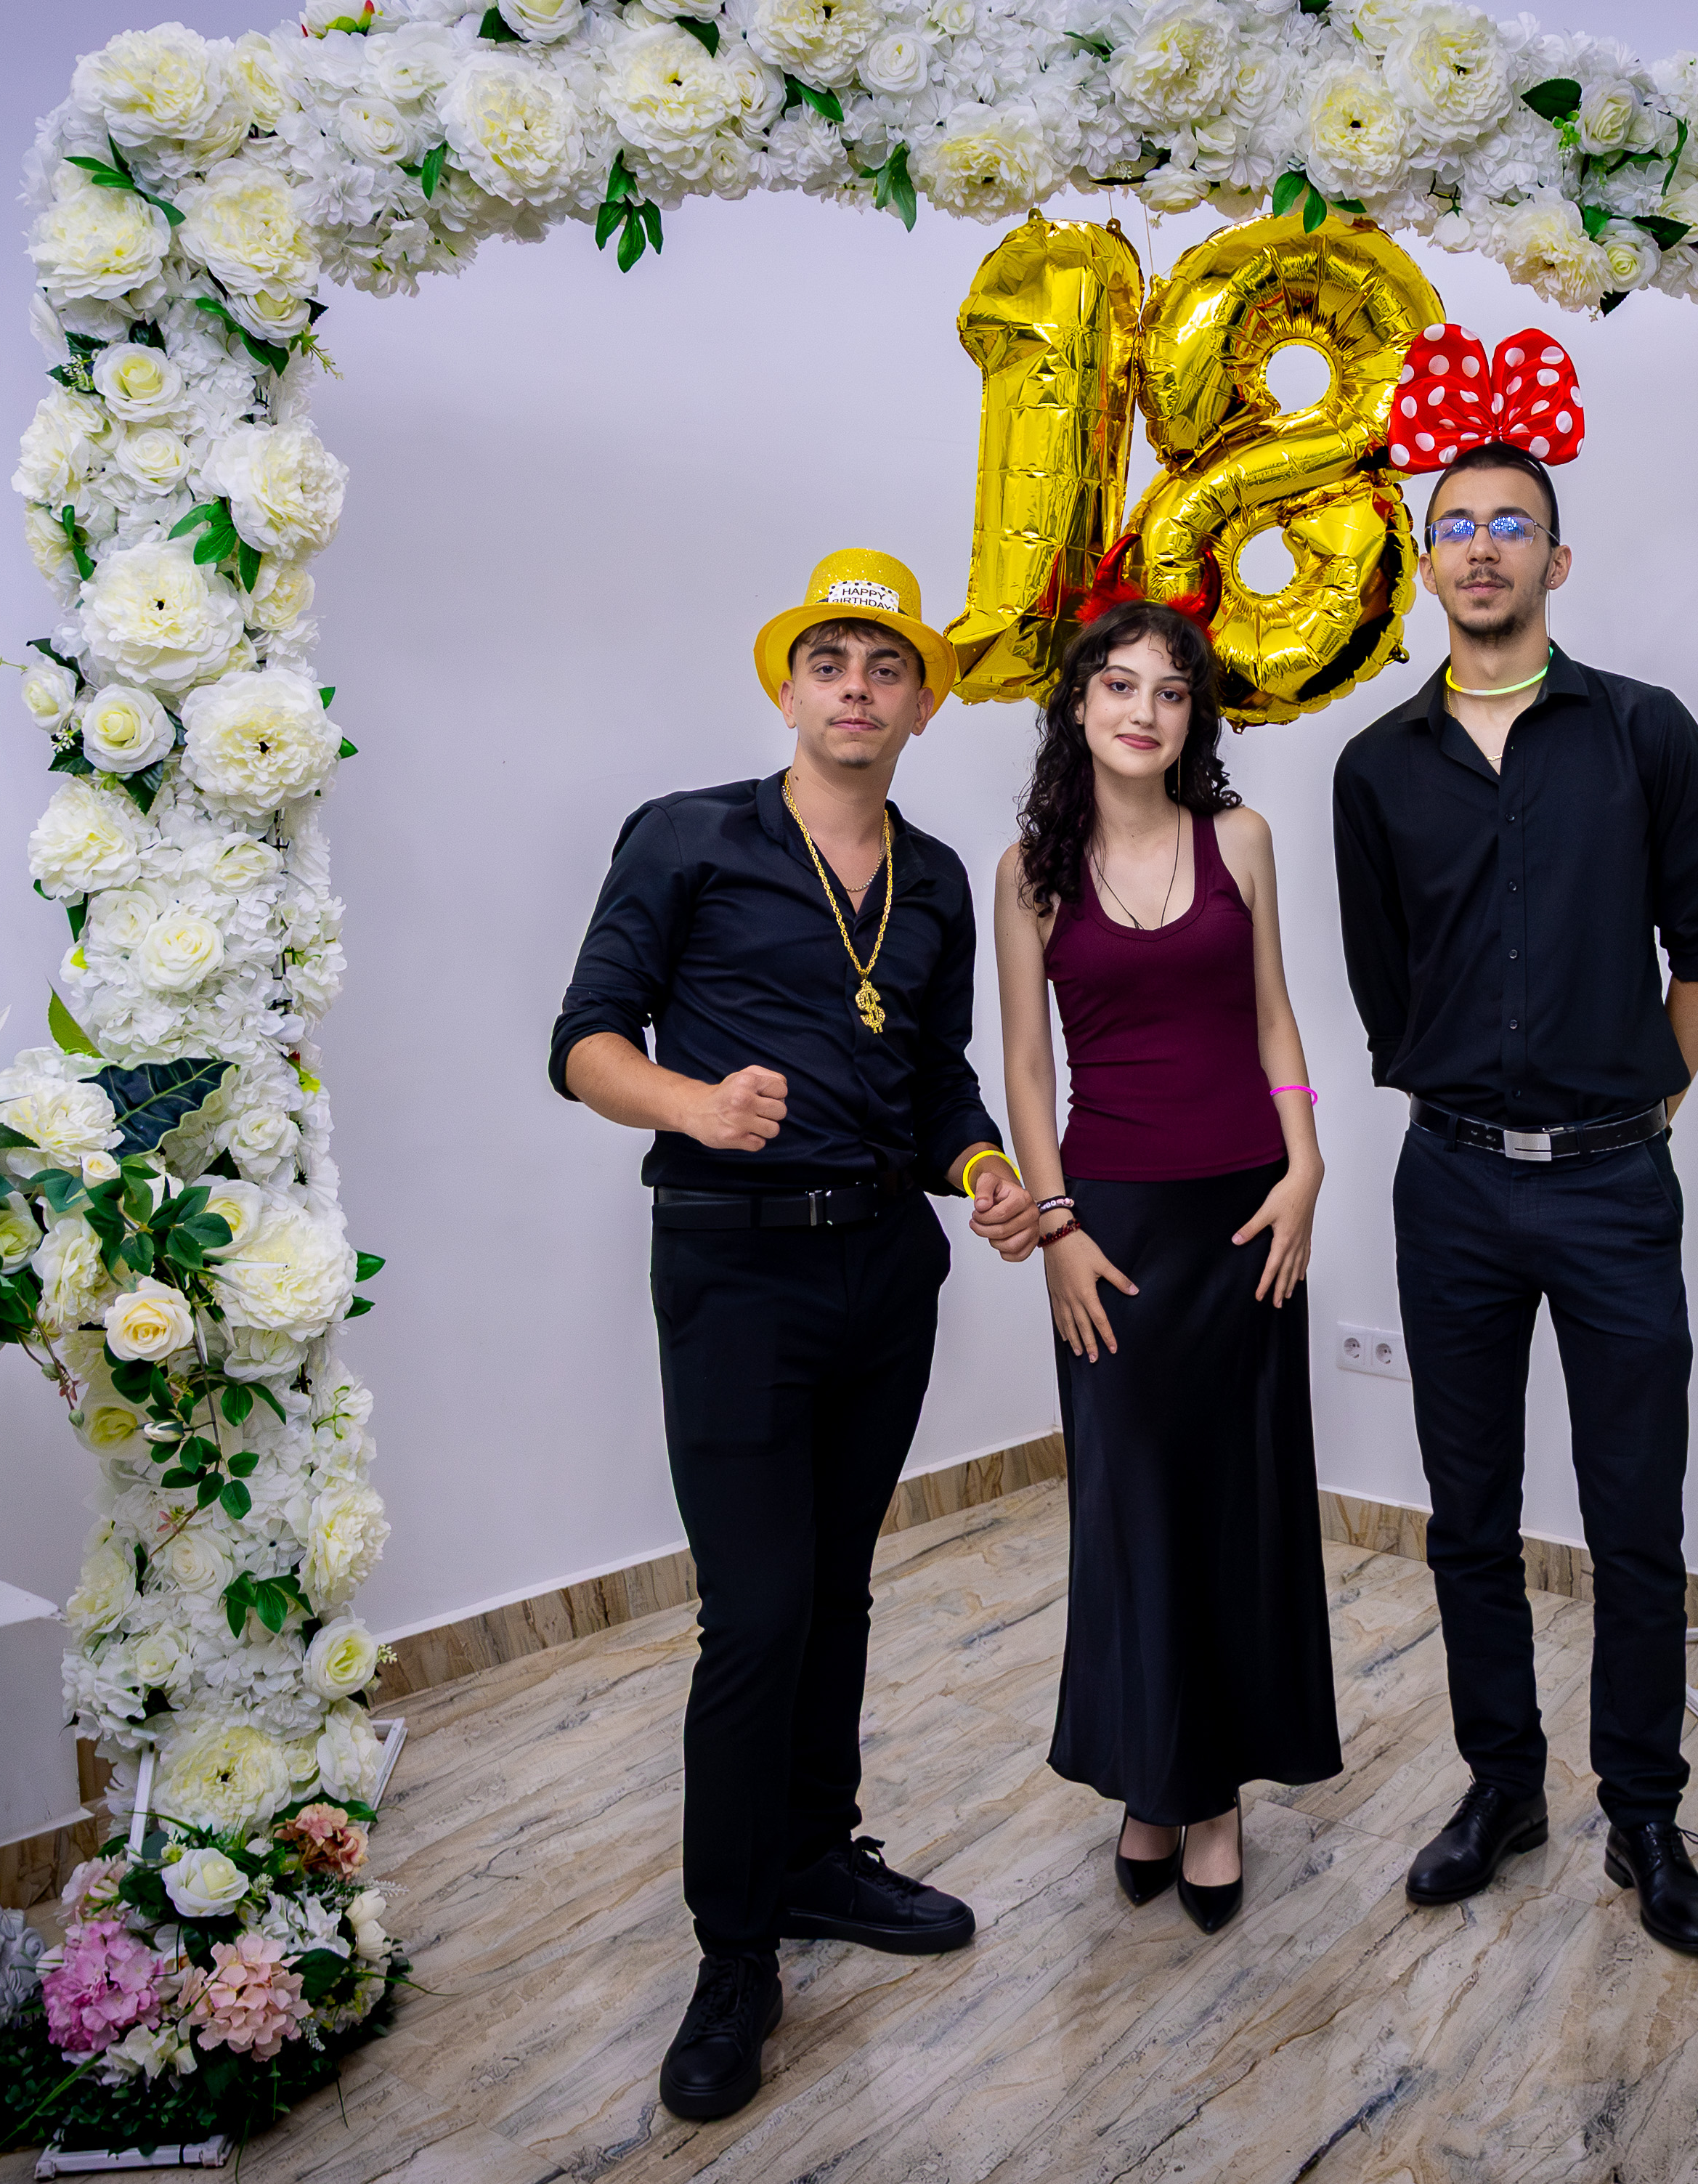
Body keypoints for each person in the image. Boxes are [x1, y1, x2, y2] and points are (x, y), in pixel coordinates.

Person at [550, 548, 1044, 2122]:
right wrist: (694, 1104)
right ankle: (733, 1951)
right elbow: (582, 1042)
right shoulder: (687, 834)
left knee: (836, 1587)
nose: (856, 687)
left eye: (887, 666)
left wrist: (980, 1169)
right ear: (787, 686)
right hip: (733, 1269)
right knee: (755, 1616)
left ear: (922, 704)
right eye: (829, 660)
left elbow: (936, 1081)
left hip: (885, 1269)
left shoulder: (939, 877)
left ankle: (820, 1855)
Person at [1331, 442, 1698, 1955]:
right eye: (1455, 525)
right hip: (1448, 1184)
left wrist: (1649, 1102)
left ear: (1555, 563)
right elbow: (1384, 981)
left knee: (1636, 1516)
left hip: (1613, 1186)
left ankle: (1644, 1811)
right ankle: (1502, 1786)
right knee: (1470, 1514)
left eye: (1512, 523)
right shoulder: (1374, 767)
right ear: (1428, 563)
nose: (1483, 546)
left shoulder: (1643, 731)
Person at [986, 600, 1342, 1939]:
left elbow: (1273, 1016)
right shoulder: (1028, 871)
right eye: (1120, 685)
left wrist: (1306, 1163)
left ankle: (1214, 1798)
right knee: (1131, 1510)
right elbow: (1028, 1068)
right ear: (1078, 706)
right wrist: (1057, 1228)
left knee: (1237, 1506)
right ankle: (1151, 1777)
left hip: (1248, 1216)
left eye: (1172, 691)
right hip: (1113, 1229)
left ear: (1196, 719)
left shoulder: (1240, 839)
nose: (1144, 710)